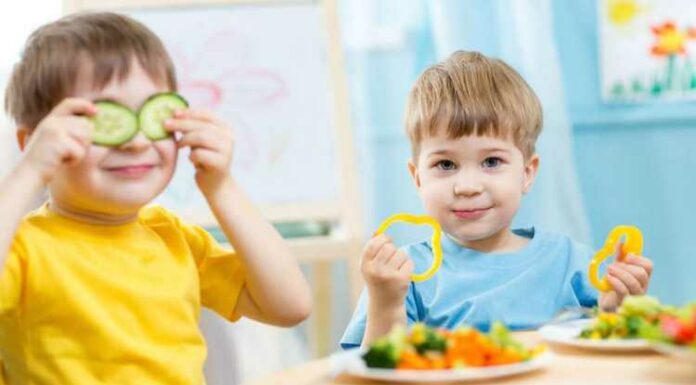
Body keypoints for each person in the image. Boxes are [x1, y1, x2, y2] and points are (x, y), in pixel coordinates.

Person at [0, 12, 312, 383]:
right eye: (104, 120)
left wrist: (222, 188)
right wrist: (28, 171)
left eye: (152, 113)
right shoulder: (22, 249)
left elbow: (289, 306)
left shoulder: (173, 237)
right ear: (33, 141)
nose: (136, 141)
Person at [341, 51, 653, 349]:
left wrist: (620, 311)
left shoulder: (573, 264)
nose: (467, 186)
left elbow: (612, 360)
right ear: (418, 177)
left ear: (527, 173)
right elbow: (372, 373)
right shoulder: (400, 277)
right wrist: (385, 303)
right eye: (445, 165)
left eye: (491, 162)